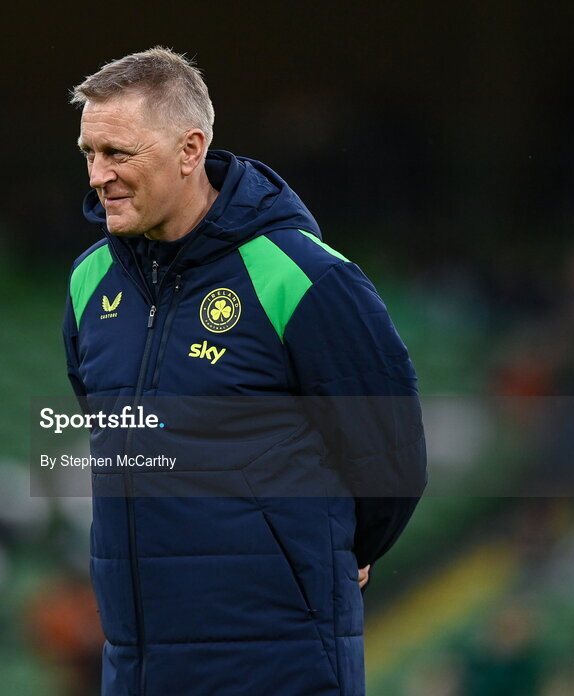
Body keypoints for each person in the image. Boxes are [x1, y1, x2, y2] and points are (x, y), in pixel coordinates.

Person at [62, 47, 427, 696]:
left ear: (190, 149)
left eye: (118, 154)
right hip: (138, 669)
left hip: (281, 665)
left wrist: (329, 550)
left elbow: (390, 457)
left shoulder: (302, 274)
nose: (97, 175)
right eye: (89, 153)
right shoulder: (89, 281)